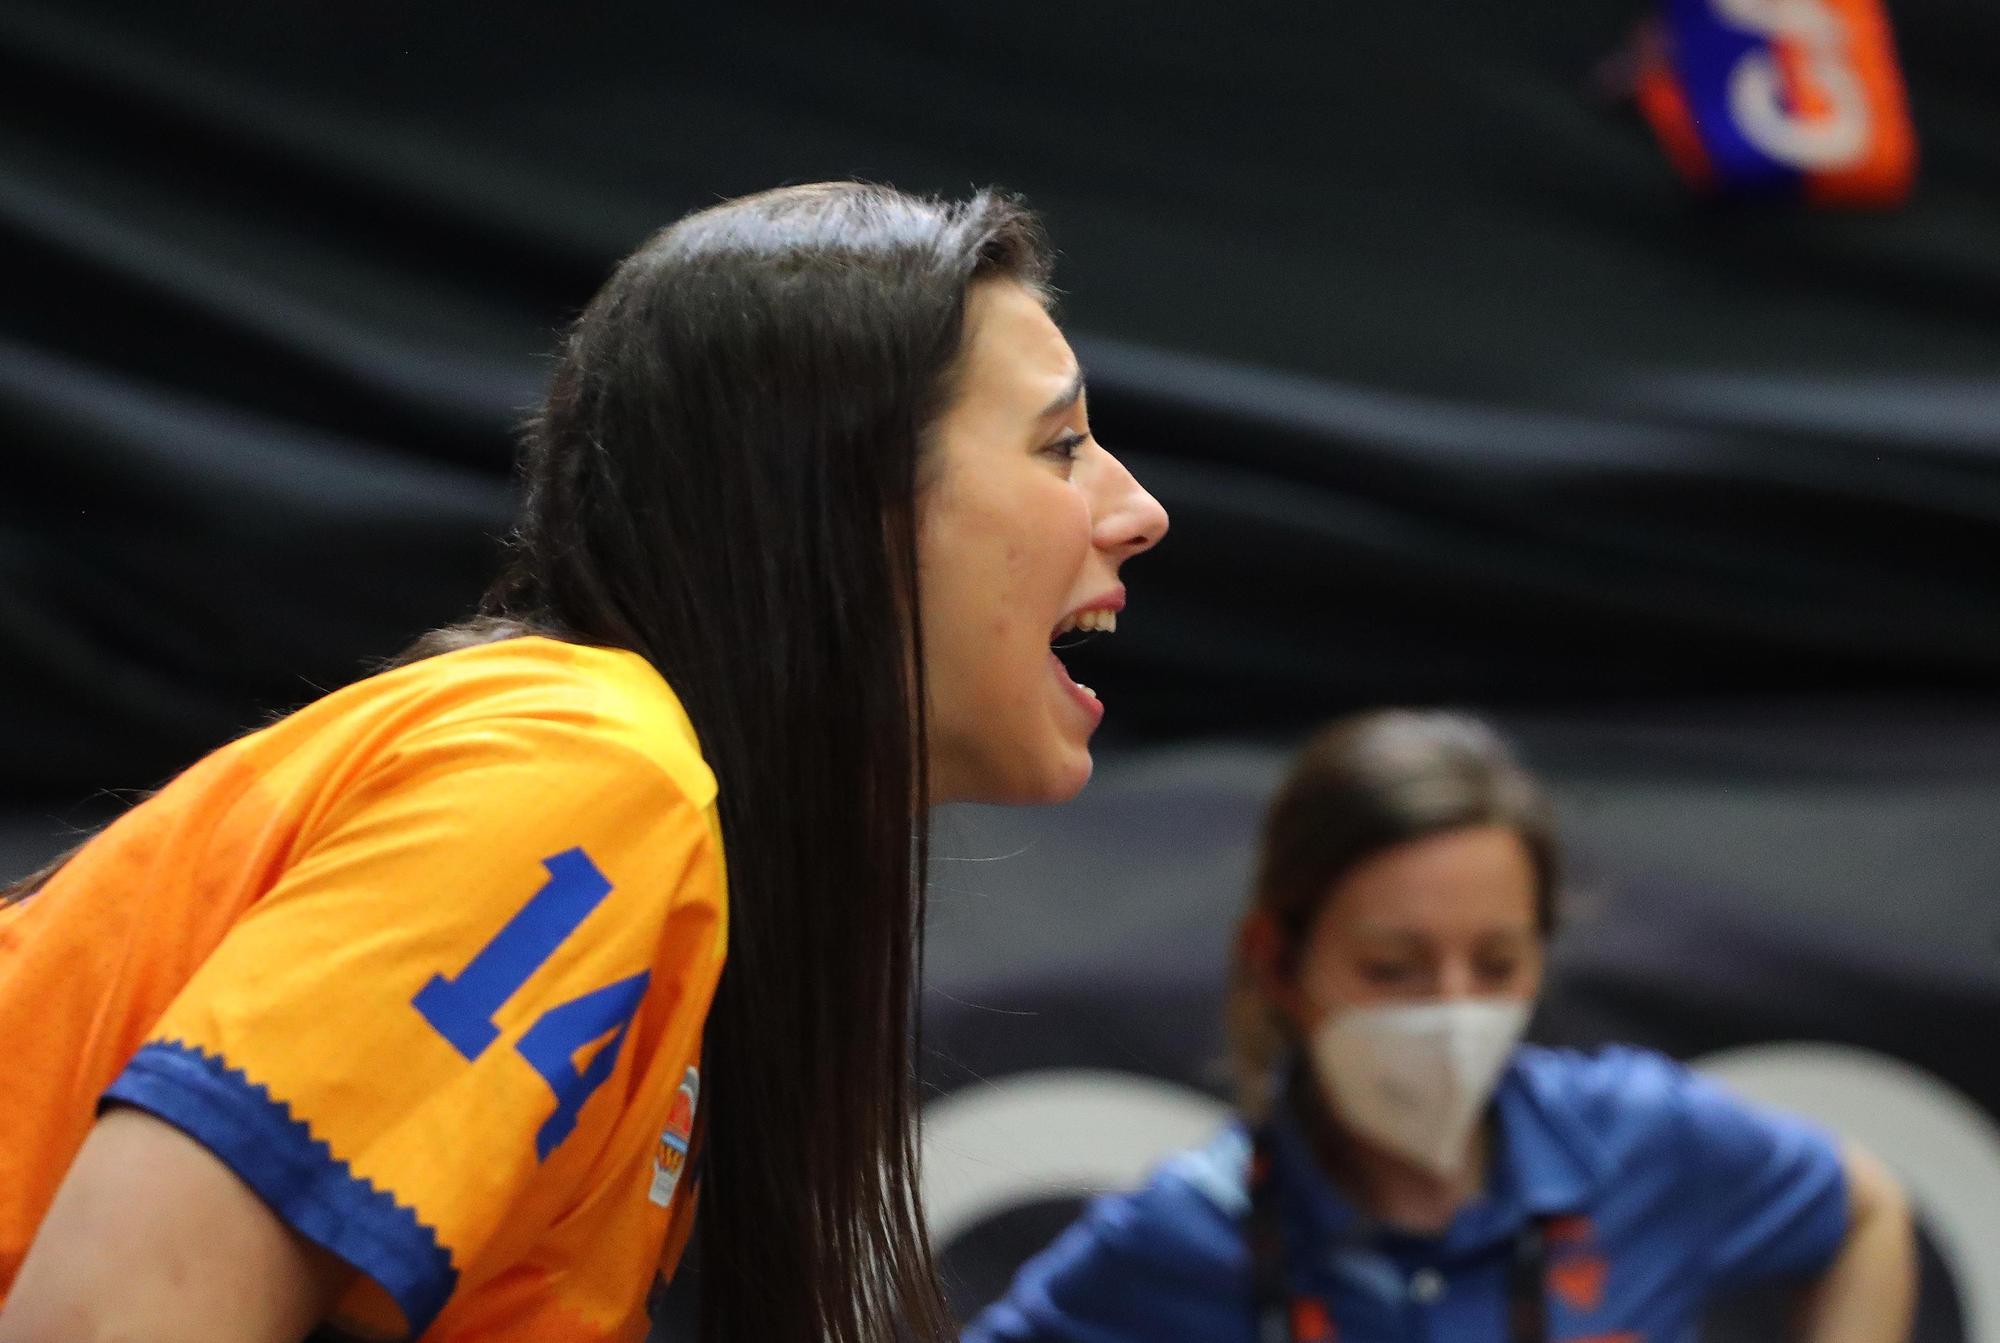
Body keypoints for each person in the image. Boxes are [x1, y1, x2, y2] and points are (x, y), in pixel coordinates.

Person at [0, 181, 1168, 1343]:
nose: (1139, 508)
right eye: (1058, 445)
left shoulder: (650, 832)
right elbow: (107, 1320)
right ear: (835, 505)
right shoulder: (590, 776)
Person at [966, 710, 1915, 1343]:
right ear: (1278, 962)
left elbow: (1866, 1209)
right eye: (1393, 967)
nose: (1453, 1009)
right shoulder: (1189, 1233)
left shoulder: (1639, 1136)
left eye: (1496, 964)